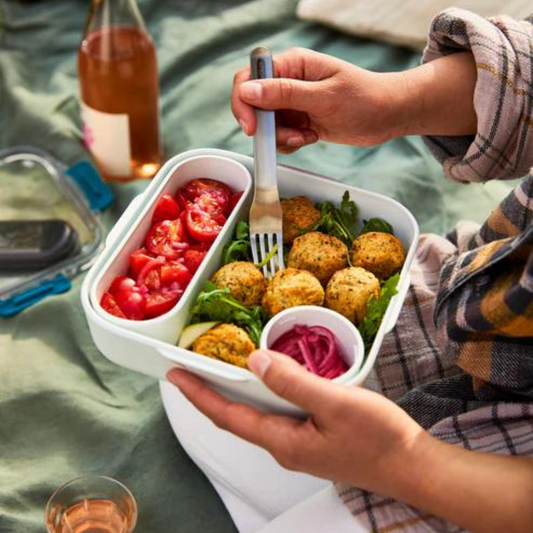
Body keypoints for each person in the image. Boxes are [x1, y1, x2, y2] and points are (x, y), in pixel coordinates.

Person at [164, 8, 533, 533]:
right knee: (189, 398)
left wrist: (401, 463)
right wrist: (395, 102)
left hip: (503, 475)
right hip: (480, 290)